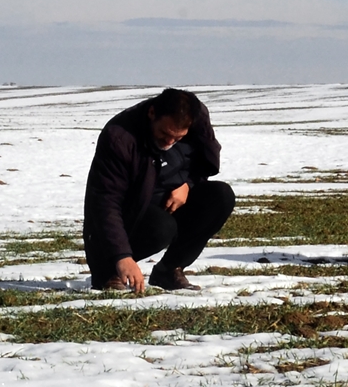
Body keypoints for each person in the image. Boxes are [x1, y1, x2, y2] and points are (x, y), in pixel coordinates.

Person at [83, 88, 235, 292]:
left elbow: (206, 160)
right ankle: (109, 271)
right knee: (162, 227)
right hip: (129, 214)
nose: (169, 143)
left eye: (178, 138)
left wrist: (188, 185)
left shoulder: (197, 119)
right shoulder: (119, 137)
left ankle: (169, 270)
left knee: (220, 197)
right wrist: (121, 256)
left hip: (173, 198)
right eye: (164, 134)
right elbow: (105, 203)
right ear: (152, 113)